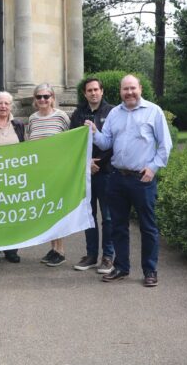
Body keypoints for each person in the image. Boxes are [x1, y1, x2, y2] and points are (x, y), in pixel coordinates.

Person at [87, 74, 172, 287]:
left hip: (142, 179)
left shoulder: (154, 111)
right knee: (118, 226)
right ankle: (121, 267)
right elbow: (106, 143)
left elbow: (165, 145)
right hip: (117, 177)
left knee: (148, 227)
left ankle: (150, 270)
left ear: (140, 89)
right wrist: (95, 132)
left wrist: (153, 168)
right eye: (125, 89)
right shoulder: (115, 113)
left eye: (133, 88)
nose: (129, 93)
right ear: (120, 91)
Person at [70, 77, 115, 275]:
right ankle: (90, 255)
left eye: (96, 89)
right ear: (85, 93)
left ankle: (108, 256)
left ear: (102, 91)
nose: (93, 93)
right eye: (89, 90)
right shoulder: (78, 113)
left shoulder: (112, 112)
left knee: (107, 216)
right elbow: (71, 142)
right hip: (85, 173)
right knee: (89, 216)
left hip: (106, 172)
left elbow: (115, 141)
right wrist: (86, 163)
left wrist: (98, 163)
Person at [27, 83, 71, 267]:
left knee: (56, 210)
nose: (43, 100)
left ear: (52, 98)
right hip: (39, 173)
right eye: (39, 97)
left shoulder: (61, 116)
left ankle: (61, 250)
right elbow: (28, 143)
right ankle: (53, 248)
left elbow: (71, 142)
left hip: (57, 172)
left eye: (46, 96)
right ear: (35, 100)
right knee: (46, 211)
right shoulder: (32, 119)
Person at [0, 90, 24, 264]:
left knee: (12, 214)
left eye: (6, 103)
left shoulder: (18, 125)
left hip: (13, 178)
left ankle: (11, 249)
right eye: (0, 103)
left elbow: (26, 149)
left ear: (11, 106)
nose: (3, 106)